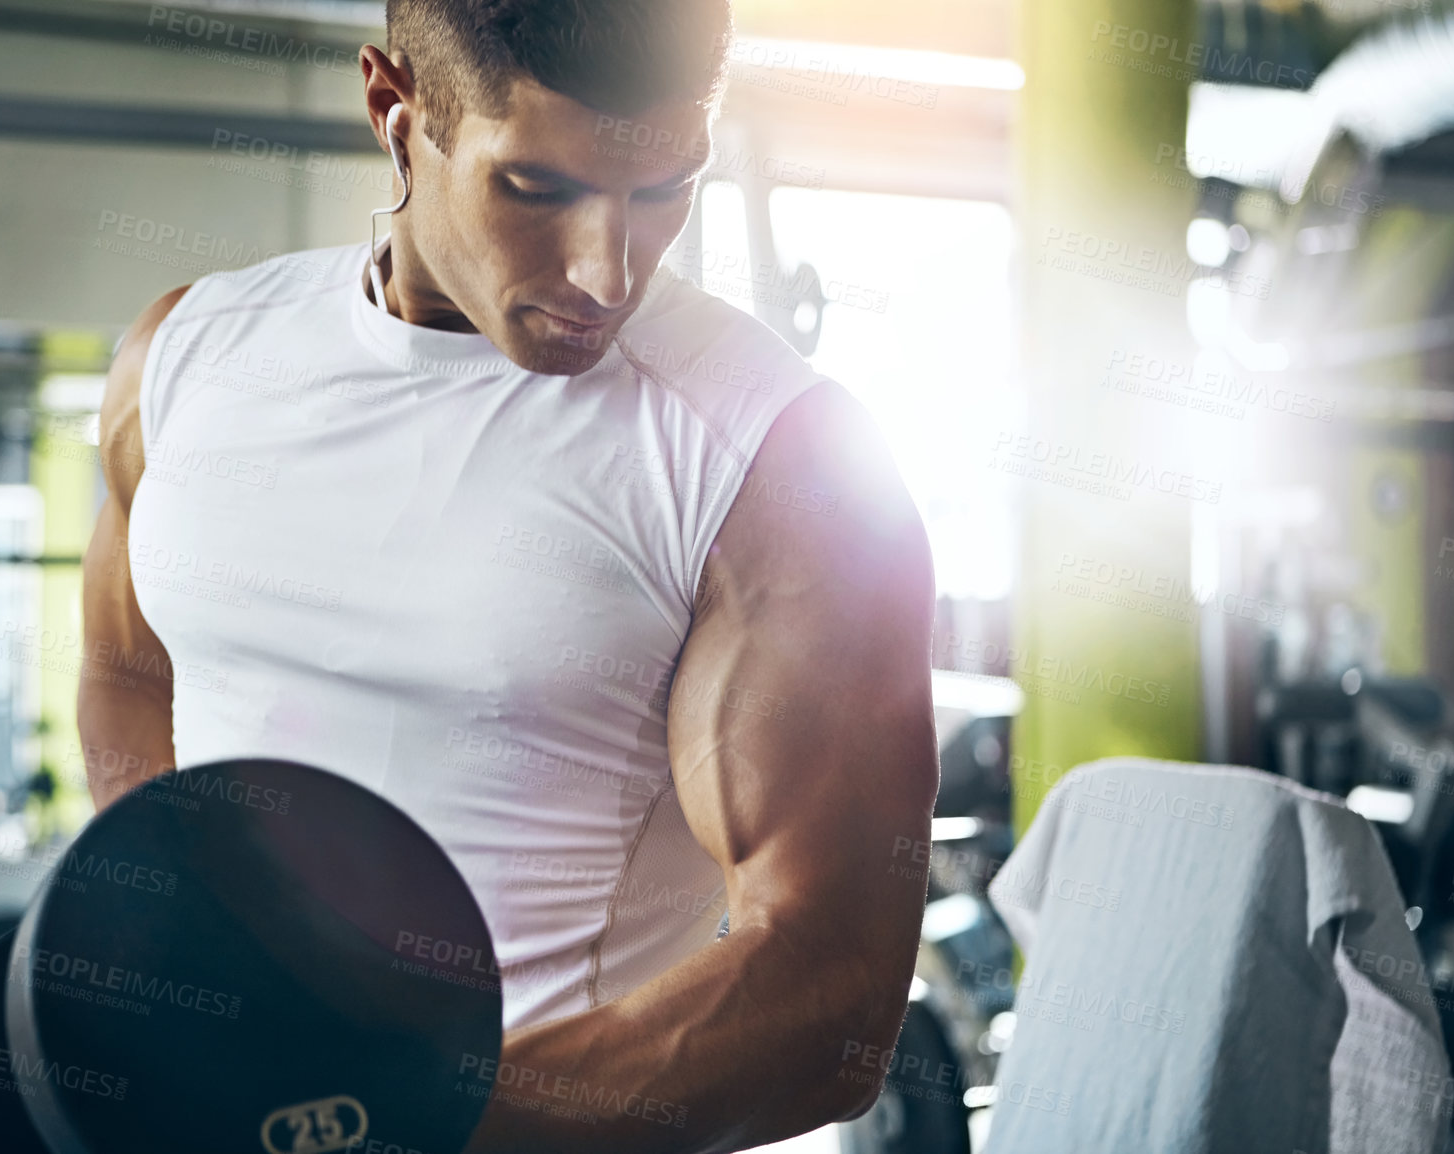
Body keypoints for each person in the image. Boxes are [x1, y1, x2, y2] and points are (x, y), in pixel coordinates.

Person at [78, 0, 940, 1148]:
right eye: (536, 187)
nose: (605, 269)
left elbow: (826, 991)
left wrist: (369, 1122)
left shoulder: (780, 462)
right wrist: (182, 953)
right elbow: (128, 672)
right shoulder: (188, 354)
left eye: (663, 188)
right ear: (396, 109)